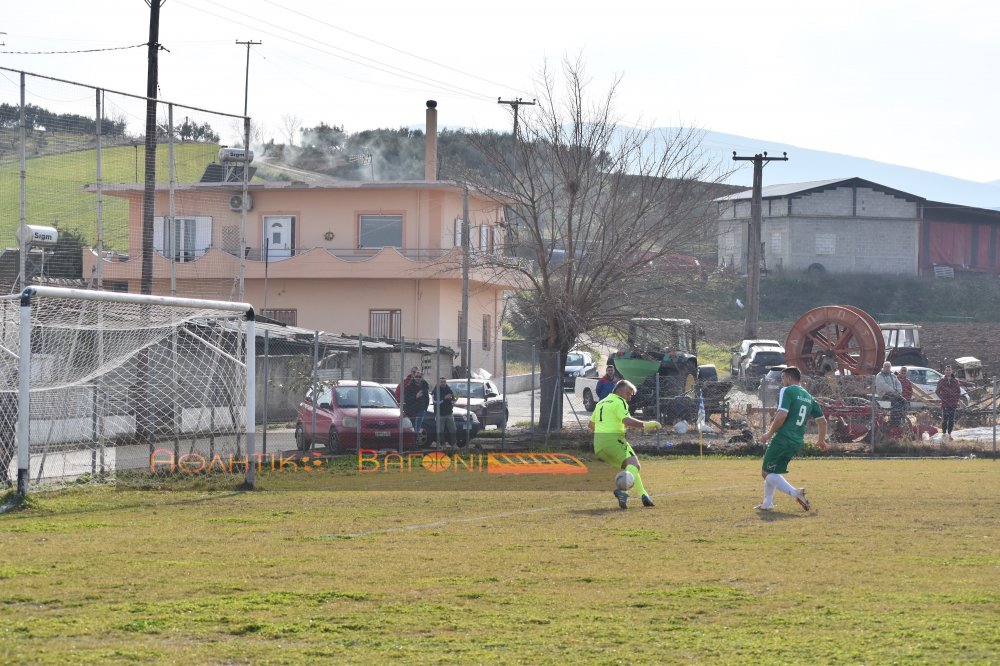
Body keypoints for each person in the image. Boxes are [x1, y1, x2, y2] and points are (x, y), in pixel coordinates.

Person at [756, 366, 827, 512]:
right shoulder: (809, 397)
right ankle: (767, 503)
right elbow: (823, 422)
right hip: (796, 441)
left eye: (782, 378)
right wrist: (821, 440)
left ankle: (796, 493)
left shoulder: (787, 390)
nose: (782, 382)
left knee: (766, 473)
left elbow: (782, 415)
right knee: (772, 471)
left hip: (783, 438)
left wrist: (769, 434)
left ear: (788, 378)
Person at [588, 379, 661, 510]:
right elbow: (627, 420)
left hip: (598, 445)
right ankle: (623, 492)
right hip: (614, 439)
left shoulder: (601, 402)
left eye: (631, 395)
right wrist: (646, 425)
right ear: (618, 390)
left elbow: (591, 425)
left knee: (630, 468)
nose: (629, 397)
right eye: (628, 393)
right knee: (635, 465)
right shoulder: (619, 401)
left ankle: (644, 495)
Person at [935, 365, 962, 440]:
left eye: (949, 370)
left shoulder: (955, 381)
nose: (948, 371)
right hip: (945, 403)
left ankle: (949, 434)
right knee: (944, 420)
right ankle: (944, 434)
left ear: (951, 371)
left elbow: (958, 392)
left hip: (953, 403)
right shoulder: (941, 381)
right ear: (945, 371)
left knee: (951, 420)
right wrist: (943, 399)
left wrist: (956, 400)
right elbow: (937, 392)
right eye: (947, 370)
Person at [875, 361, 906, 425]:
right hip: (884, 394)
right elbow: (883, 385)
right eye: (886, 366)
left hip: (894, 394)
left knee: (904, 401)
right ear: (883, 367)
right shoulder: (880, 376)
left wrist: (898, 390)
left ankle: (899, 418)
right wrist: (893, 391)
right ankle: (893, 420)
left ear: (890, 367)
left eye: (888, 366)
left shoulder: (893, 375)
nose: (887, 368)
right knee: (896, 402)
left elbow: (898, 383)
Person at [431, 376, 457, 447]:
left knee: (453, 429)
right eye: (441, 382)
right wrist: (444, 398)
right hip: (440, 414)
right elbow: (435, 401)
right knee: (440, 431)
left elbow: (453, 399)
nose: (443, 383)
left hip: (449, 413)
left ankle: (454, 444)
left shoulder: (449, 389)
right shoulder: (435, 391)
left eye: (444, 381)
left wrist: (453, 399)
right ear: (438, 383)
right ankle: (442, 445)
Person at [403, 371, 430, 435]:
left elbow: (427, 398)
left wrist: (425, 409)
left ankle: (416, 443)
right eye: (416, 376)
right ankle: (413, 443)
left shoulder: (424, 386)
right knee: (413, 429)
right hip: (412, 411)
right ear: (413, 377)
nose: (418, 378)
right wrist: (416, 397)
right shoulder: (409, 387)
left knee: (417, 430)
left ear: (422, 377)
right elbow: (406, 400)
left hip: (421, 410)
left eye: (419, 377)